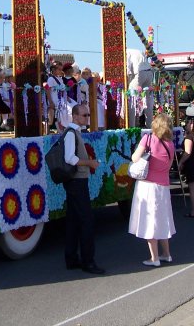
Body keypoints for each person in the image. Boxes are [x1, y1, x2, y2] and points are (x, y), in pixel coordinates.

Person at [129, 113, 176, 267]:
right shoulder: (170, 144)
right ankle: (166, 254)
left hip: (148, 185)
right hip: (163, 186)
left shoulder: (148, 139)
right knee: (162, 220)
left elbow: (135, 158)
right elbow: (168, 167)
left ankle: (154, 257)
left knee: (149, 221)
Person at [62, 104, 104, 274]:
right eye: (85, 115)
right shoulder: (71, 134)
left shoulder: (73, 133)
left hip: (75, 181)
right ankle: (88, 261)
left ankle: (72, 258)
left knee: (73, 221)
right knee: (86, 221)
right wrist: (89, 163)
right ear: (75, 116)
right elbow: (70, 158)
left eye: (88, 114)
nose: (87, 117)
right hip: (77, 181)